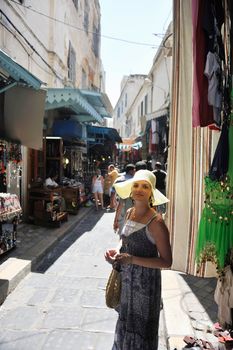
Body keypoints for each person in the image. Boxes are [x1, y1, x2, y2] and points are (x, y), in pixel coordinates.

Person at [105, 169, 172, 350]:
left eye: (145, 186)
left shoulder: (156, 222)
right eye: (136, 185)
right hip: (127, 281)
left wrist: (132, 260)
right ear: (131, 189)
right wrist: (116, 250)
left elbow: (166, 261)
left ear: (151, 192)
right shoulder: (129, 213)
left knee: (141, 330)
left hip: (145, 286)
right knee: (125, 323)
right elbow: (124, 240)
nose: (139, 189)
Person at [113, 163, 135, 235]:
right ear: (131, 171)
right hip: (133, 211)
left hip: (122, 211)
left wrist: (115, 220)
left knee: (122, 234)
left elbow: (119, 201)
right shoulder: (135, 181)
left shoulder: (119, 179)